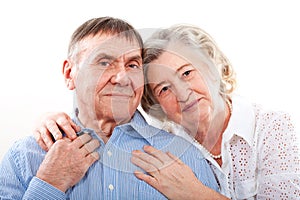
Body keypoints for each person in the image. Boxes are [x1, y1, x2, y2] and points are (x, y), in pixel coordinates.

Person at [34, 24, 300, 199]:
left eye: (187, 73)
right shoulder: (165, 142)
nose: (182, 94)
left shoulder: (271, 127)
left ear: (212, 67)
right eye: (164, 89)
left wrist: (196, 194)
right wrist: (53, 120)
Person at [0, 17, 223, 199]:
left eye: (133, 65)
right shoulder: (24, 157)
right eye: (104, 62)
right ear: (70, 74)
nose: (123, 78)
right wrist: (49, 184)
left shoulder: (185, 159)